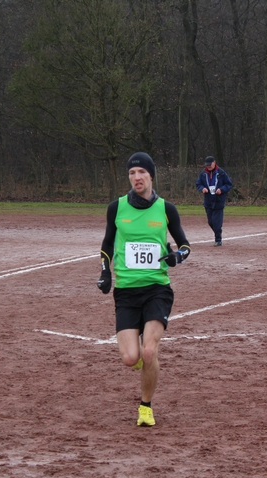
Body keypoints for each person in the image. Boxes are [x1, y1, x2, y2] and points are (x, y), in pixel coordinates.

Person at [97, 152, 192, 427]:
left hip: (156, 289)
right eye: (131, 173)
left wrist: (176, 257)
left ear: (151, 175)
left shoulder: (166, 209)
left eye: (141, 172)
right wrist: (105, 272)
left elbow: (185, 246)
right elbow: (107, 243)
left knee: (149, 351)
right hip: (126, 291)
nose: (136, 177)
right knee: (131, 358)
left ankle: (146, 407)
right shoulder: (116, 208)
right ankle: (138, 358)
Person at [195, 156, 233, 246]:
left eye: (210, 164)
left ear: (214, 162)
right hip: (208, 200)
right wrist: (202, 188)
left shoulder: (221, 173)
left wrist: (221, 190)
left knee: (216, 222)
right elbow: (198, 184)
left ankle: (218, 240)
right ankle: (218, 231)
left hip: (218, 200)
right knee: (210, 222)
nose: (208, 166)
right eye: (207, 165)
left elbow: (228, 184)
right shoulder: (203, 173)